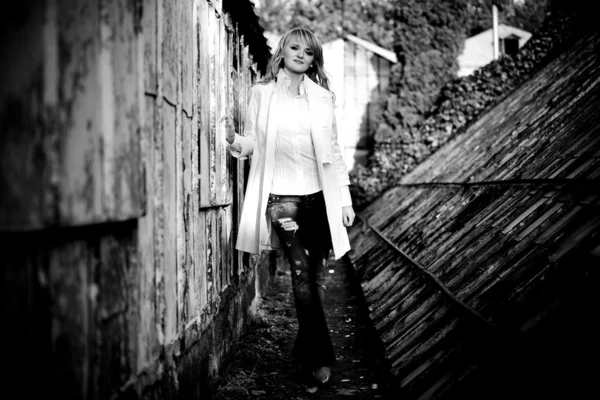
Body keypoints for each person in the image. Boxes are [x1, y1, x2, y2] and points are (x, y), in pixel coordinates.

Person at [223, 27, 355, 386]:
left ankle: (304, 350)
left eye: (308, 51)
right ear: (282, 52)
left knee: (316, 280)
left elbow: (334, 152)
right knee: (300, 276)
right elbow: (252, 141)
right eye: (294, 48)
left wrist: (343, 199)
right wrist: (236, 141)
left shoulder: (322, 97)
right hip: (282, 200)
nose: (301, 54)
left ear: (314, 59)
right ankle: (320, 358)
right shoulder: (261, 94)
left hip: (319, 198)